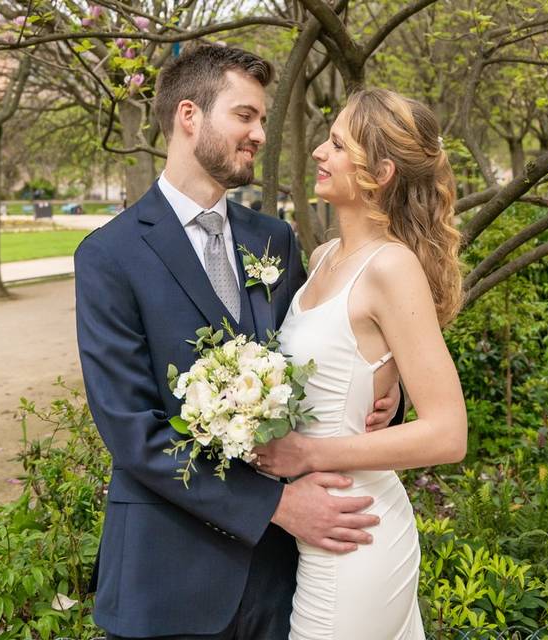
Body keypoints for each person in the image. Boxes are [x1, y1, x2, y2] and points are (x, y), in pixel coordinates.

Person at [73, 45, 402, 640]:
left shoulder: (273, 240)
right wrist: (274, 506)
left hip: (279, 578)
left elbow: (314, 355)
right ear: (189, 115)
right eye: (245, 116)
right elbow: (132, 430)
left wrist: (383, 380)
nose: (258, 134)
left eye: (262, 120)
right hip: (167, 576)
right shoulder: (109, 255)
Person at [252, 88, 469, 639]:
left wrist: (310, 451)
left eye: (338, 145)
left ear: (383, 171)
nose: (320, 153)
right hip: (316, 530)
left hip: (358, 530)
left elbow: (448, 433)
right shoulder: (324, 257)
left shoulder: (391, 267)